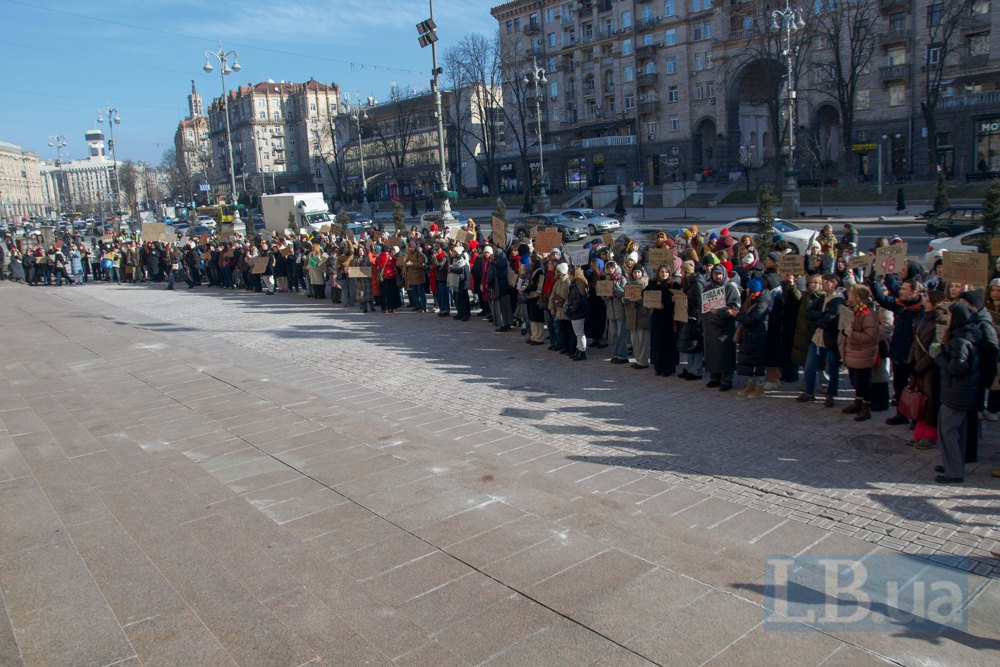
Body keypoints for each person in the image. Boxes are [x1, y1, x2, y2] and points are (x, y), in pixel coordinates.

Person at [929, 301, 982, 483]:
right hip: (959, 391)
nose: (948, 318)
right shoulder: (964, 334)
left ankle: (954, 472)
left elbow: (957, 367)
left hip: (958, 392)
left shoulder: (960, 339)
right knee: (955, 431)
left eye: (950, 315)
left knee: (948, 431)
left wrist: (939, 356)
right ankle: (953, 465)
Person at [908, 290, 947, 449]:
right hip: (919, 365)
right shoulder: (924, 317)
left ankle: (930, 435)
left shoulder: (941, 320)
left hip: (931, 369)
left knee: (931, 402)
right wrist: (911, 362)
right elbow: (915, 341)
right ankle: (919, 431)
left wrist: (920, 366)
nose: (925, 303)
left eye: (928, 301)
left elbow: (936, 348)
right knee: (921, 401)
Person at [799, 274, 845, 407]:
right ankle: (809, 393)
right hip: (816, 338)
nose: (823, 284)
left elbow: (830, 320)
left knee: (831, 369)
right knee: (809, 366)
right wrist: (821, 315)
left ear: (834, 283)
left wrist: (818, 319)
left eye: (826, 282)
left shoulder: (838, 300)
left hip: (830, 339)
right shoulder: (822, 298)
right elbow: (809, 312)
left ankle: (830, 395)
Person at [839, 284, 880, 421]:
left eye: (851, 293)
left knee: (863, 381)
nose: (848, 295)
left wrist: (851, 332)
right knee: (855, 381)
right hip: (852, 352)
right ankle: (858, 401)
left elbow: (870, 336)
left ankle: (866, 406)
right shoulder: (852, 310)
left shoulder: (867, 314)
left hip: (863, 353)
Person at [702, 263, 740, 390]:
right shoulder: (708, 289)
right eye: (715, 274)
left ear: (723, 274)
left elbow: (734, 306)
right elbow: (703, 307)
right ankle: (714, 377)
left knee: (725, 354)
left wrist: (720, 312)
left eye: (719, 274)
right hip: (710, 327)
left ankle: (726, 380)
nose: (717, 276)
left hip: (725, 327)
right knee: (712, 353)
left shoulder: (730, 288)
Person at [735, 275, 771, 398]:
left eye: (748, 289)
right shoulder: (753, 300)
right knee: (750, 363)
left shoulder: (762, 303)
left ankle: (759, 387)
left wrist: (737, 315)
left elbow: (752, 319)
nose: (746, 290)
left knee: (758, 364)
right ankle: (750, 385)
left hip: (758, 337)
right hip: (750, 337)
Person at [648, 265, 679, 377]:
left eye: (666, 272)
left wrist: (675, 300)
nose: (664, 274)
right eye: (662, 271)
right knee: (657, 343)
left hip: (669, 318)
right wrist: (654, 304)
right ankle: (658, 366)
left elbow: (681, 299)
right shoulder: (653, 283)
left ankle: (668, 368)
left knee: (668, 344)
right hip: (657, 317)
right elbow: (644, 295)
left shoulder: (674, 284)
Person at [624, 264, 650, 368]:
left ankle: (643, 361)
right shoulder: (628, 284)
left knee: (643, 338)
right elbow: (625, 296)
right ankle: (638, 359)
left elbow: (650, 299)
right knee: (634, 339)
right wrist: (625, 299)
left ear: (642, 273)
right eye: (635, 272)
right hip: (631, 313)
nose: (636, 274)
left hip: (642, 313)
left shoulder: (646, 284)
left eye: (638, 272)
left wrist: (639, 300)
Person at [566, 267, 590, 360]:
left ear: (573, 275)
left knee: (579, 333)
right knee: (578, 333)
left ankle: (582, 351)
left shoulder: (576, 286)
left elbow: (576, 301)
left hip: (577, 312)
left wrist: (570, 310)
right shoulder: (578, 285)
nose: (568, 277)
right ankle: (579, 349)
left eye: (569, 275)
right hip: (579, 312)